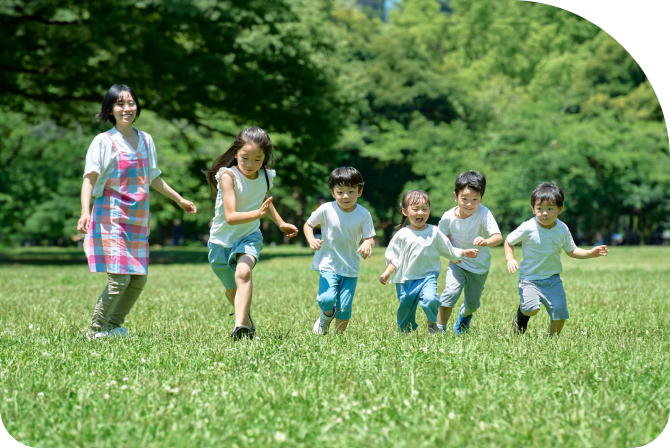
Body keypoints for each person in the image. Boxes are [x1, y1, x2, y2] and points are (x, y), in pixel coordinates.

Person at [78, 84, 197, 340]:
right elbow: (89, 179)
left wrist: (179, 199)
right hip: (112, 216)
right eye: (120, 104)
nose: (127, 108)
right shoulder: (103, 141)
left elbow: (152, 177)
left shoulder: (146, 139)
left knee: (138, 280)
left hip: (139, 219)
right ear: (110, 110)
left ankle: (113, 327)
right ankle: (96, 330)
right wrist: (84, 211)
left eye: (130, 103)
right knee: (119, 280)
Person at [204, 127, 298, 340]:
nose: (249, 164)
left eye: (257, 159)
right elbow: (230, 216)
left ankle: (239, 327)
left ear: (265, 159)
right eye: (245, 158)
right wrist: (258, 213)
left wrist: (281, 223)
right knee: (231, 290)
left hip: (249, 237)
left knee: (243, 273)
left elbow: (264, 200)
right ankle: (246, 320)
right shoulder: (228, 176)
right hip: (220, 241)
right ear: (235, 153)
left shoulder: (265, 176)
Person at [505, 181, 609, 336]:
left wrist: (590, 253)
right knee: (530, 309)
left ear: (560, 209)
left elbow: (572, 250)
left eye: (550, 209)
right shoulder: (528, 227)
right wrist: (510, 259)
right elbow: (509, 241)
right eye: (539, 209)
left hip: (552, 280)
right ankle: (521, 317)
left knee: (560, 314)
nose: (544, 213)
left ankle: (550, 341)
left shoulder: (562, 229)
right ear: (533, 209)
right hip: (529, 279)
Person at [380, 190, 479, 333]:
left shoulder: (434, 231)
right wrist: (387, 272)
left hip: (428, 276)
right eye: (415, 209)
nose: (420, 212)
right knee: (405, 311)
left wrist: (463, 253)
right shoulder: (402, 234)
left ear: (429, 211)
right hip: (405, 280)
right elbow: (394, 258)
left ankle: (432, 323)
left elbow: (447, 248)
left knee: (431, 299)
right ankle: (404, 332)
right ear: (405, 211)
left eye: (424, 209)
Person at [304, 167, 375, 335]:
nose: (345, 196)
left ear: (360, 191)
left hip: (350, 266)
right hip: (328, 262)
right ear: (332, 192)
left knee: (344, 307)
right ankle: (326, 314)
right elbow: (308, 225)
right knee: (325, 298)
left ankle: (339, 338)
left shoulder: (364, 214)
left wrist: (367, 244)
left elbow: (370, 237)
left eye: (351, 191)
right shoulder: (325, 209)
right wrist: (311, 239)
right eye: (340, 191)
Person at [437, 171, 502, 334]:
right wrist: (453, 254)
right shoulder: (447, 217)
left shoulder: (484, 213)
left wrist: (486, 242)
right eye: (464, 198)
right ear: (455, 196)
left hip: (479, 266)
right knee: (449, 294)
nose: (469, 204)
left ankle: (464, 316)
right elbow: (442, 239)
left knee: (472, 304)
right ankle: (439, 329)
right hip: (458, 262)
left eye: (475, 199)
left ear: (481, 198)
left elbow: (498, 237)